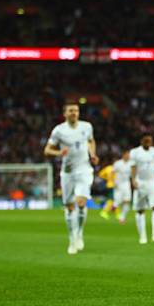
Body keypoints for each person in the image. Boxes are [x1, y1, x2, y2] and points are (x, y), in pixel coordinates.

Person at [44, 103, 98, 254]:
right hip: (67, 173)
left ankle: (79, 234)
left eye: (76, 110)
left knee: (81, 202)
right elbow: (47, 150)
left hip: (84, 170)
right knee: (69, 206)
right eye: (71, 110)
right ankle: (72, 238)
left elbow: (91, 141)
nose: (74, 113)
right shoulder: (59, 130)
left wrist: (92, 154)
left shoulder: (87, 127)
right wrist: (59, 153)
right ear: (65, 113)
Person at [130, 135, 154, 244]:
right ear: (141, 141)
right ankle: (142, 236)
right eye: (146, 140)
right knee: (140, 210)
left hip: (153, 181)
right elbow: (133, 167)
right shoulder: (135, 152)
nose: (148, 142)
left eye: (150, 140)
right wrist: (133, 180)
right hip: (141, 182)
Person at [113, 151, 132, 224]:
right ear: (123, 155)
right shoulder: (118, 163)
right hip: (118, 184)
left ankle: (122, 217)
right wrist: (112, 182)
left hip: (126, 183)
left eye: (129, 155)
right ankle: (114, 206)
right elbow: (112, 173)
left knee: (127, 201)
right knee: (118, 201)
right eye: (127, 155)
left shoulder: (131, 164)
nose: (128, 156)